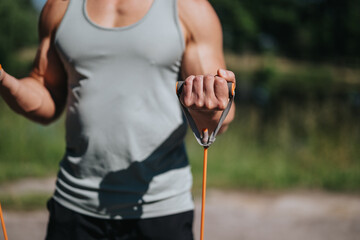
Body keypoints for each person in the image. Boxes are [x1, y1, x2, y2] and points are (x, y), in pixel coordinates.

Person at [0, 0, 235, 239]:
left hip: (160, 208)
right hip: (74, 203)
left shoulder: (189, 8)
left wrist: (210, 110)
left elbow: (221, 113)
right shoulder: (60, 6)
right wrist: (6, 84)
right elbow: (46, 93)